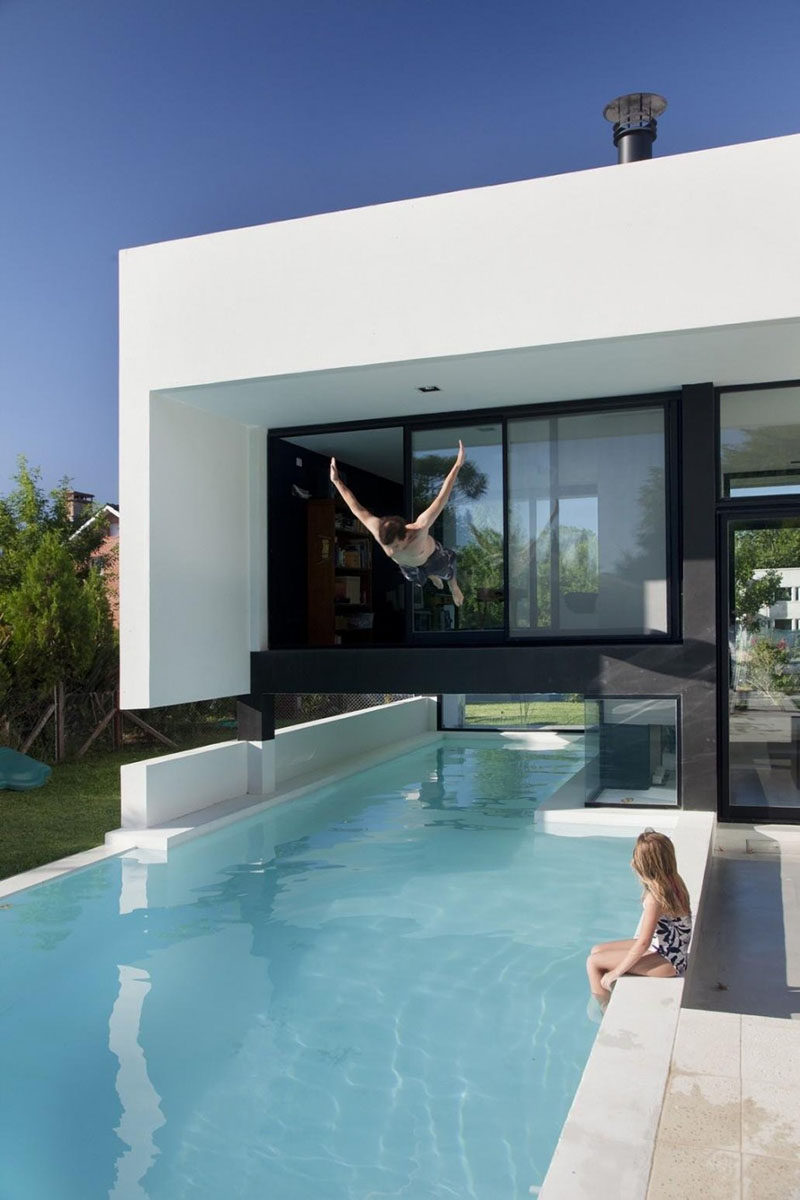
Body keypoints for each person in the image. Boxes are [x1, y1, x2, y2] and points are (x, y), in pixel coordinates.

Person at [329, 441, 466, 606]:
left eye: (395, 545)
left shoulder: (419, 529)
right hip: (409, 566)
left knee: (449, 570)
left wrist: (457, 465)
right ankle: (429, 576)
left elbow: (441, 498)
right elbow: (357, 509)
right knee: (415, 578)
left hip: (433, 558)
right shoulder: (377, 528)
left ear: (405, 537)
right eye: (389, 546)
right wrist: (337, 481)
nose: (391, 550)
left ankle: (453, 586)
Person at [586, 829, 692, 1013]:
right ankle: (604, 996)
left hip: (670, 961)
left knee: (593, 962)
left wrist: (616, 972)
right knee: (597, 950)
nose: (632, 862)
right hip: (666, 948)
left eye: (636, 858)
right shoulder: (674, 881)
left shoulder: (655, 897)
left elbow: (642, 942)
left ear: (646, 865)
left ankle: (604, 1010)